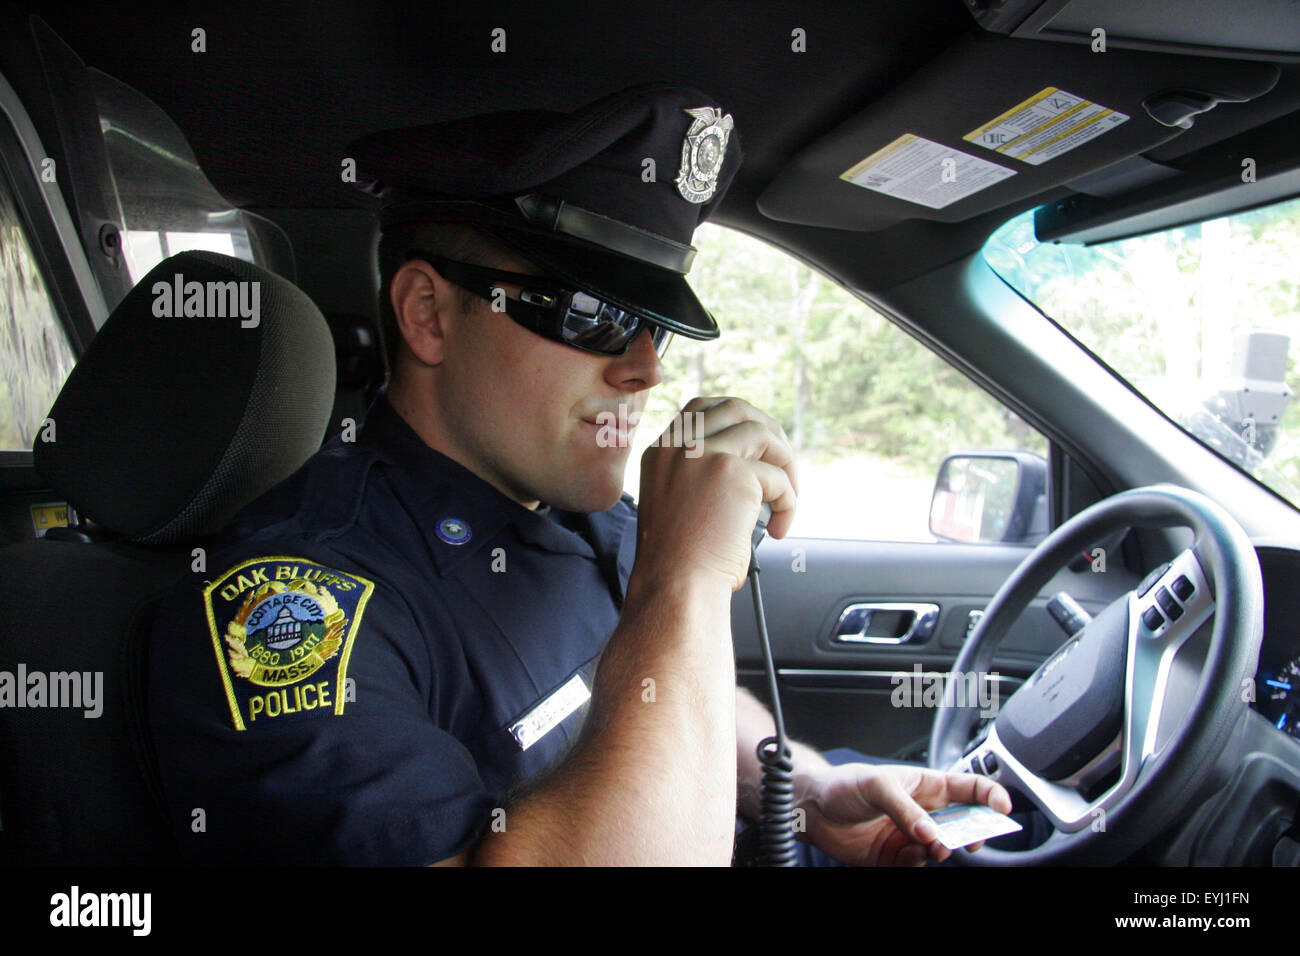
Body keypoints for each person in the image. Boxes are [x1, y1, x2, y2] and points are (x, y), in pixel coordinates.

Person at [145, 83, 1011, 866]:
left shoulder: (584, 516)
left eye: (654, 326)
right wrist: (683, 583)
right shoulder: (290, 606)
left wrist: (811, 793)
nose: (645, 371)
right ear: (428, 315)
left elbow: (659, 707)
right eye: (591, 314)